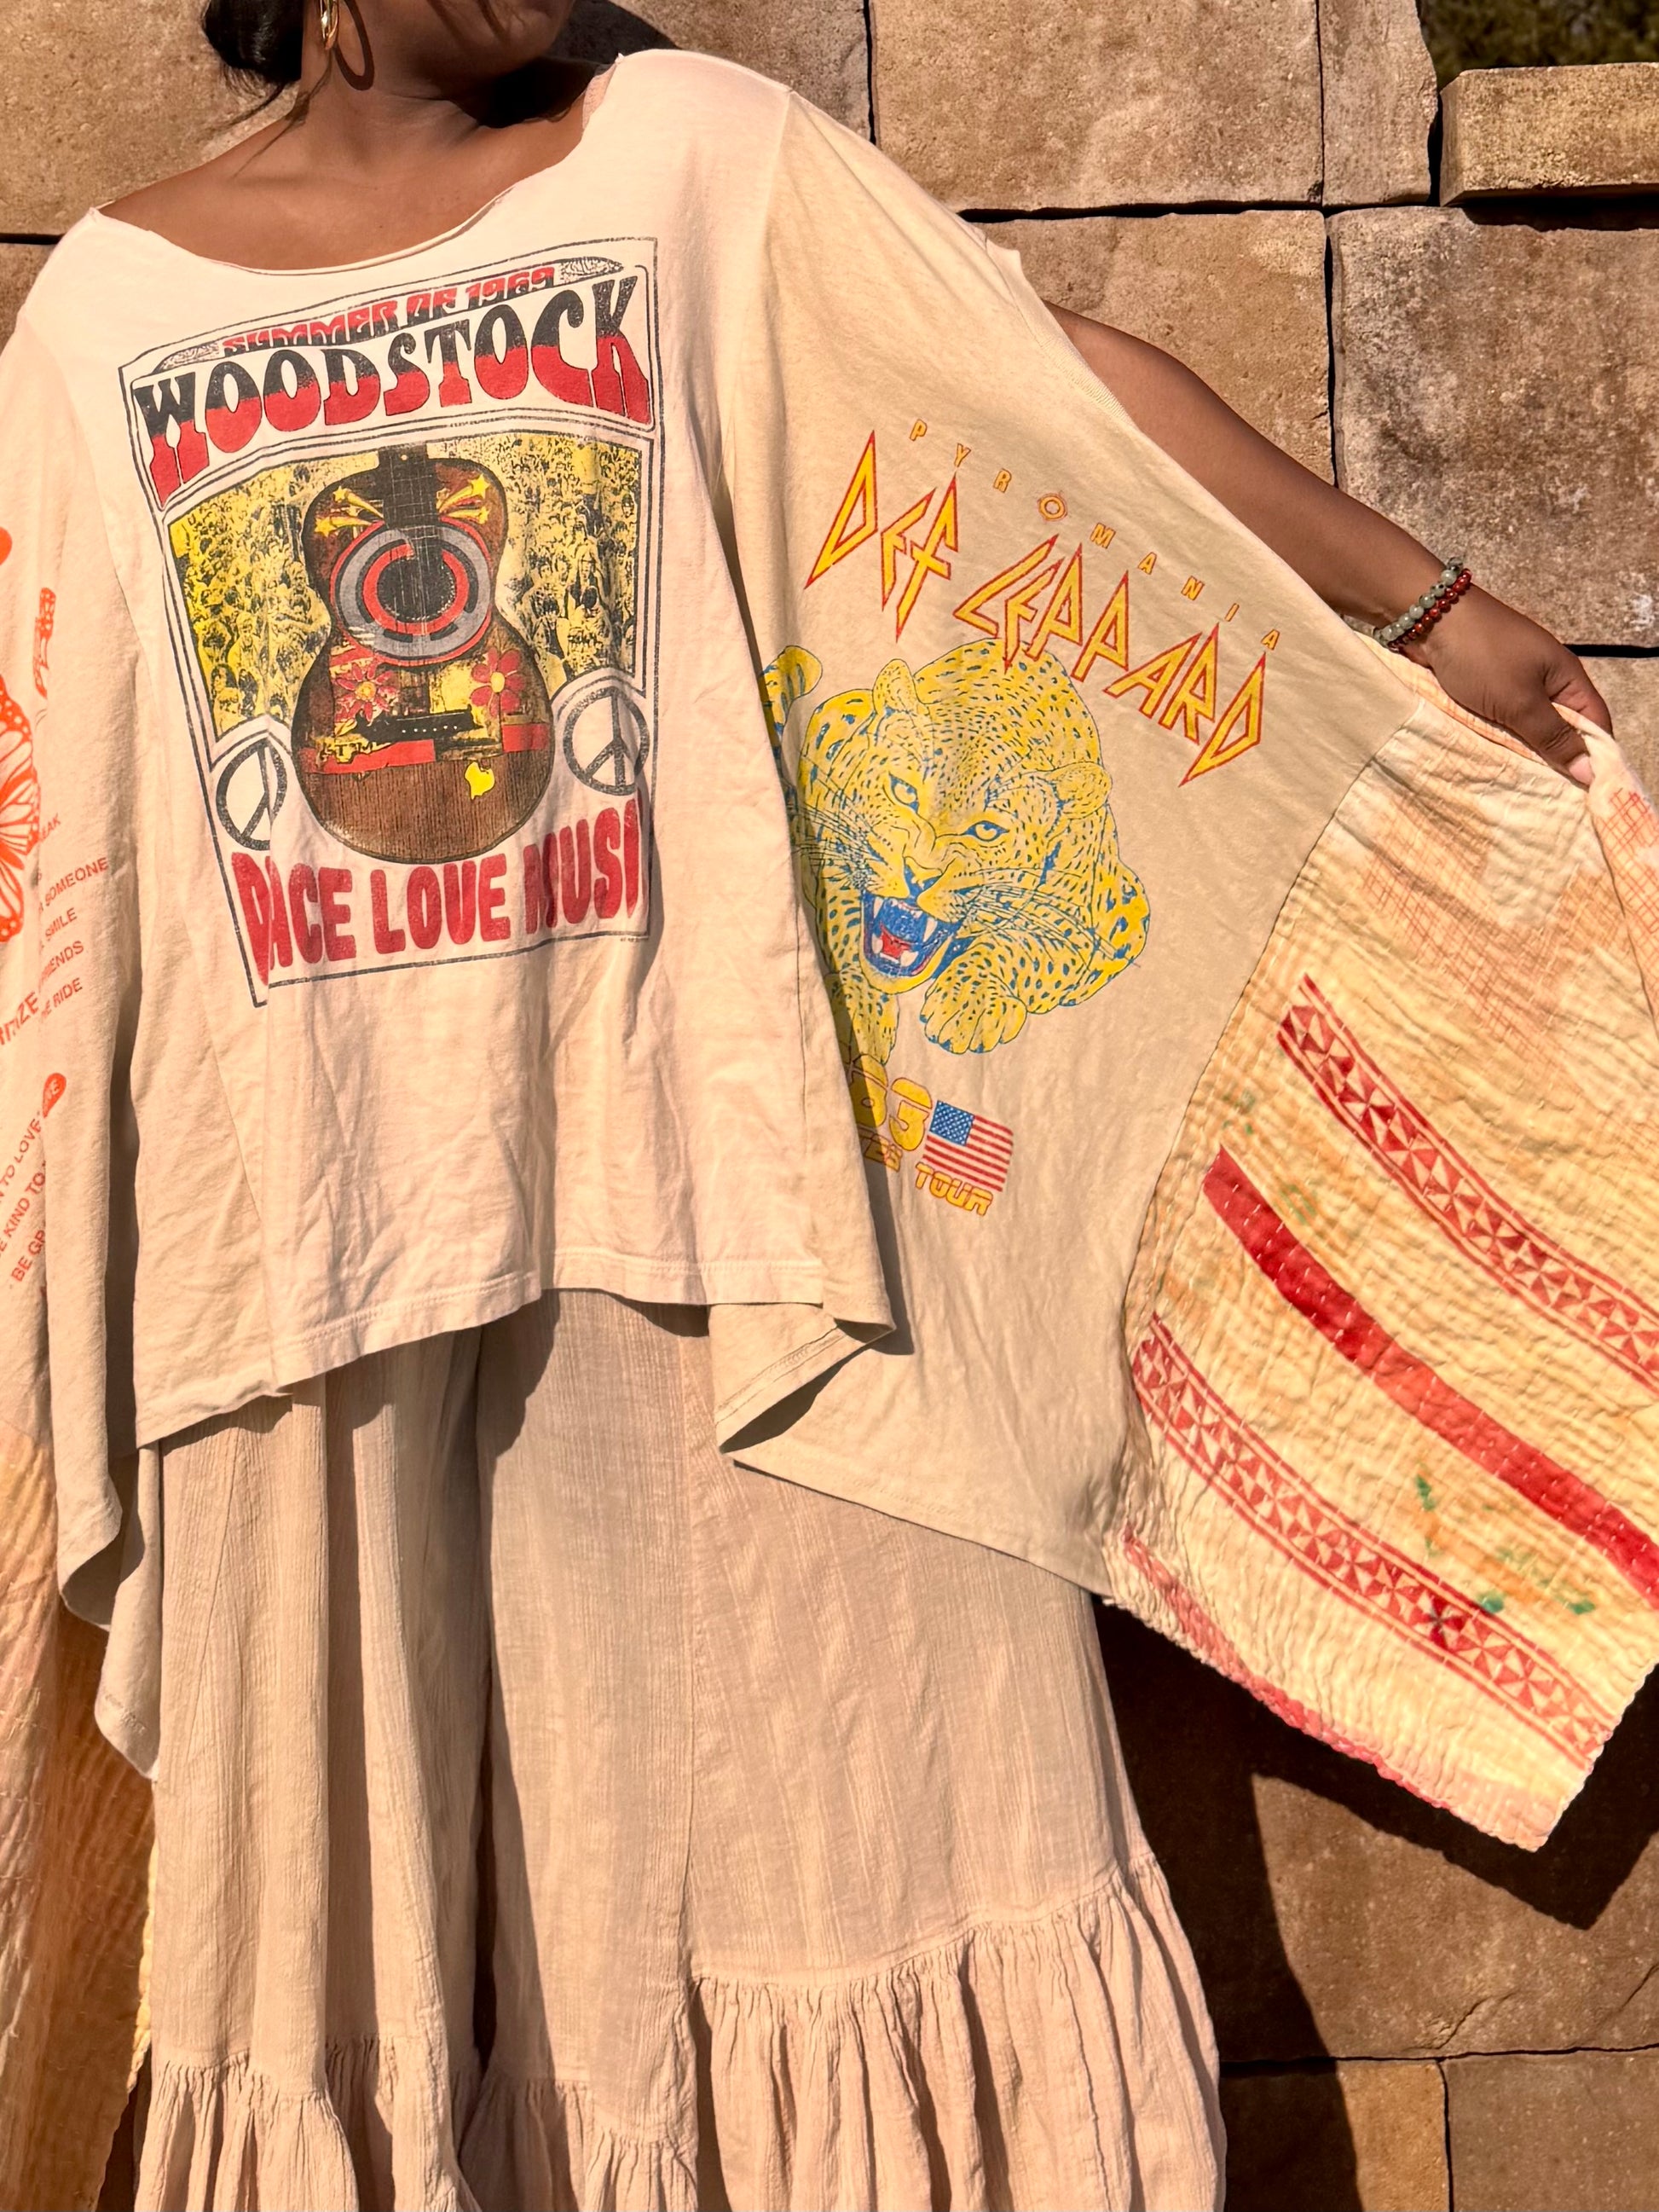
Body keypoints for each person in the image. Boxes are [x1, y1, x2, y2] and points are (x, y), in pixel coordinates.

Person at [0, 3, 1619, 2208]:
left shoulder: (685, 155)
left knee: (896, 1790)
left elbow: (1036, 389)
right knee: (371, 1943)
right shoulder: (106, 315)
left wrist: (1420, 604)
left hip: (737, 1189)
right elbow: (58, 802)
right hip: (313, 1257)